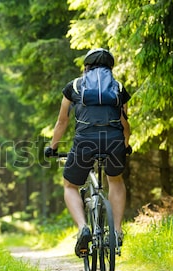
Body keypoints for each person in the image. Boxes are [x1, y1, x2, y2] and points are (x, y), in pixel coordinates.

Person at [45, 48, 131, 257]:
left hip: (85, 142)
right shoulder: (118, 88)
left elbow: (62, 121)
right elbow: (125, 123)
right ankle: (117, 232)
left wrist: (53, 147)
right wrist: (126, 144)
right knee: (116, 180)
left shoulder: (74, 86)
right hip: (113, 142)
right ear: (110, 67)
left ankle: (83, 227)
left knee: (70, 185)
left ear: (86, 66)